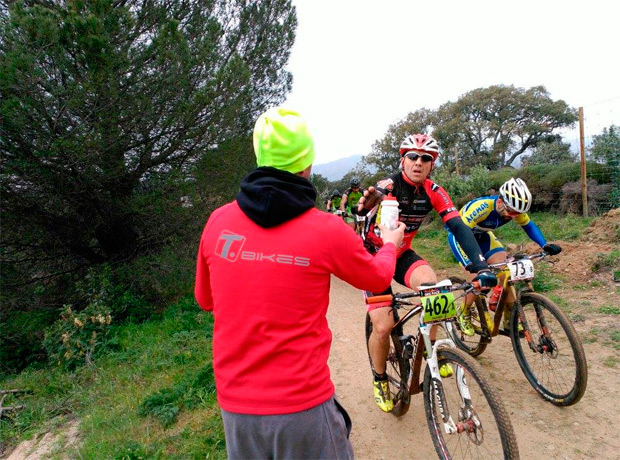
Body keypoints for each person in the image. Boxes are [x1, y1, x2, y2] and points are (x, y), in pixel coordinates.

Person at [194, 107, 405, 459]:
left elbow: (205, 300)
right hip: (303, 406)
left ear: (259, 158)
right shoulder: (325, 229)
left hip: (235, 409)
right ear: (307, 165)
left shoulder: (218, 222)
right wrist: (389, 245)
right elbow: (378, 276)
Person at [357, 134, 498, 413]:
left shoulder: (434, 189)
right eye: (412, 156)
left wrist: (481, 265)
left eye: (426, 158)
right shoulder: (389, 186)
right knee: (383, 327)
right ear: (402, 160)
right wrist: (365, 204)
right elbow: (367, 202)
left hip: (402, 255)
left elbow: (458, 226)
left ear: (431, 165)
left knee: (436, 290)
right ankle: (380, 378)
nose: (418, 162)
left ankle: (431, 351)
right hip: (373, 258)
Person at [448, 177, 562, 336]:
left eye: (517, 213)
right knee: (478, 278)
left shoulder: (514, 210)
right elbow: (454, 235)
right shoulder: (481, 208)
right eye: (511, 212)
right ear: (501, 201)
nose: (513, 216)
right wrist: (467, 262)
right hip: (462, 239)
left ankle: (510, 319)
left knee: (507, 272)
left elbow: (529, 227)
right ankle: (464, 312)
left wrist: (544, 245)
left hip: (483, 237)